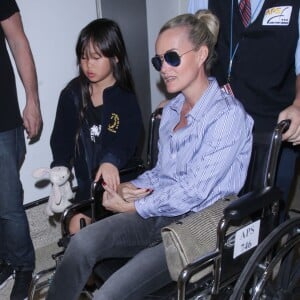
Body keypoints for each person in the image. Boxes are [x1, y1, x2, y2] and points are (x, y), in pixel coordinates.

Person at [46, 11, 253, 300]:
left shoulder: (228, 117)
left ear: (202, 54)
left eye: (172, 57)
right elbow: (161, 172)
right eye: (159, 60)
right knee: (81, 243)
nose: (163, 68)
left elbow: (194, 191)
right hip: (158, 210)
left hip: (197, 225)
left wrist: (136, 206)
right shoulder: (170, 111)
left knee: (109, 294)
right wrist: (130, 189)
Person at [188, 0, 300, 213]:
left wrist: (299, 105)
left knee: (269, 211)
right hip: (219, 124)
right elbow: (188, 51)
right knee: (216, 208)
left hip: (273, 125)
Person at [50, 18, 143, 234]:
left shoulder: (124, 98)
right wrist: (60, 169)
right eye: (83, 58)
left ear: (116, 57)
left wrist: (111, 161)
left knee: (125, 226)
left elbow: (127, 139)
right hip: (88, 189)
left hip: (121, 180)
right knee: (75, 227)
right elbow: (61, 138)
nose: (88, 65)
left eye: (96, 58)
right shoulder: (72, 95)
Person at [0, 0, 43, 299]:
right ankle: (6, 259)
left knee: (7, 205)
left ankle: (24, 266)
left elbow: (17, 40)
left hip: (0, 120)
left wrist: (32, 100)